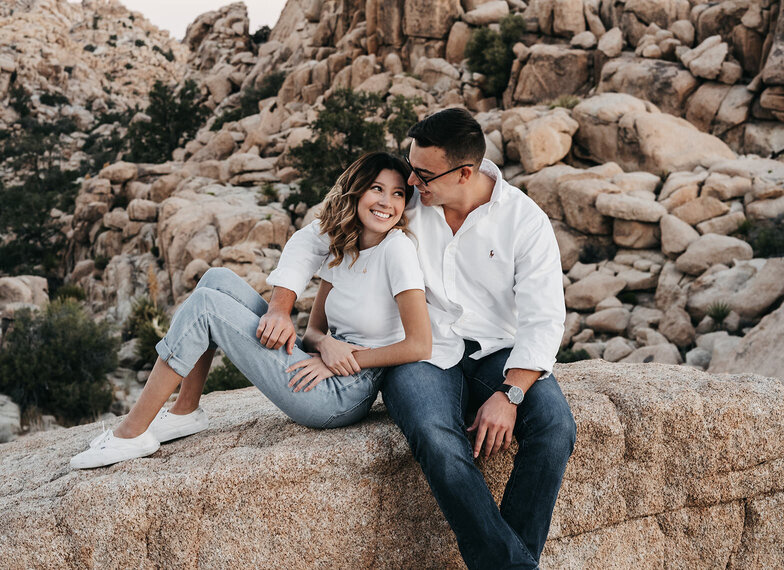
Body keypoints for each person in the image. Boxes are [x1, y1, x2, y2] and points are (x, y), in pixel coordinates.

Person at [261, 108, 576, 569]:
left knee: (555, 428)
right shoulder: (409, 197)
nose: (411, 180)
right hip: (423, 353)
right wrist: (280, 306)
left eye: (424, 173)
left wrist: (511, 395)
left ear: (464, 173)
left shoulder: (524, 221)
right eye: (412, 167)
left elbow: (544, 319)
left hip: (498, 353)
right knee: (435, 435)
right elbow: (314, 237)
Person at [71, 151, 431, 469]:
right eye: (377, 189)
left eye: (398, 193)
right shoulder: (344, 248)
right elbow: (313, 332)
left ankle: (132, 432)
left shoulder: (396, 250)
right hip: (323, 363)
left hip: (345, 391)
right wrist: (324, 345)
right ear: (356, 192)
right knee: (217, 278)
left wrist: (341, 359)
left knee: (207, 309)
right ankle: (185, 411)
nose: (387, 202)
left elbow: (419, 346)